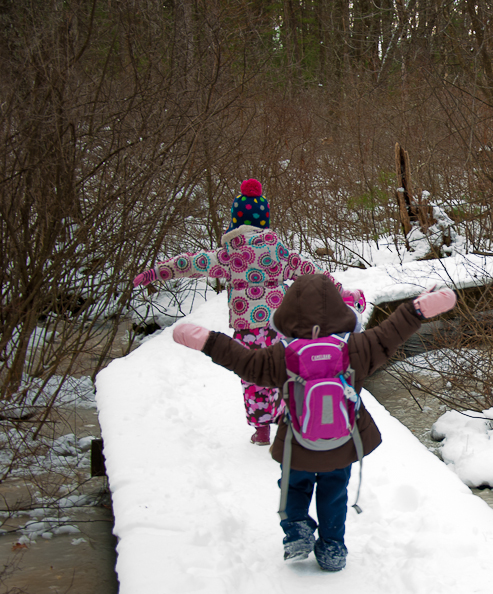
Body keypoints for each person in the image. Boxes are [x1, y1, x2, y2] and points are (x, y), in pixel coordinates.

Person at [171, 274, 457, 571]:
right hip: (342, 442)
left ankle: (296, 531)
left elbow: (245, 363)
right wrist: (415, 311)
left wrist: (209, 341)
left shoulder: (282, 356)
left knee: (292, 486)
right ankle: (332, 548)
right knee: (334, 493)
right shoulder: (356, 348)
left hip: (297, 443)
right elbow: (389, 335)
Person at [132, 179, 366, 445]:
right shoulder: (279, 251)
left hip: (247, 329)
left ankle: (262, 430)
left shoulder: (229, 254)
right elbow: (312, 272)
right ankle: (289, 421)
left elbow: (191, 262)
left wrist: (156, 272)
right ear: (264, 220)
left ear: (236, 220)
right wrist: (343, 291)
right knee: (285, 370)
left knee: (253, 374)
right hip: (281, 325)